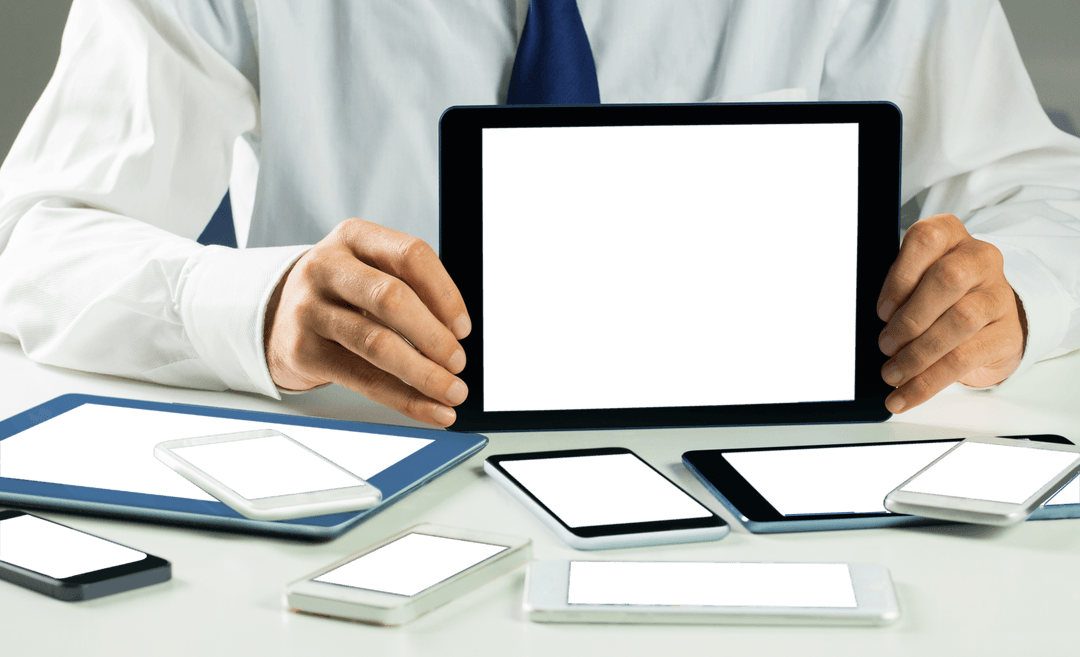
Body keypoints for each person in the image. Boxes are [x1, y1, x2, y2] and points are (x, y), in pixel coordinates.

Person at [0, 0, 1078, 427]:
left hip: (767, 518)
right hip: (359, 514)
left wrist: (1005, 300)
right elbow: (35, 238)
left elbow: (1045, 196)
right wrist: (266, 305)